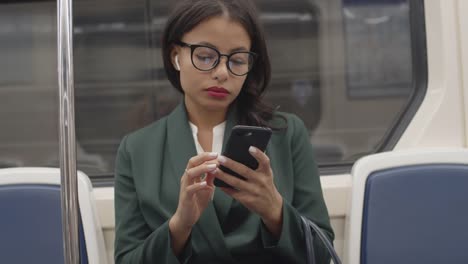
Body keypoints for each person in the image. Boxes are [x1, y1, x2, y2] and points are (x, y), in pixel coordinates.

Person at [114, 0, 334, 263]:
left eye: (238, 60)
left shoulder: (286, 134)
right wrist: (179, 226)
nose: (221, 72)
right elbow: (127, 259)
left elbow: (321, 253)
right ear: (176, 56)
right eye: (205, 56)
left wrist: (274, 211)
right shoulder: (137, 149)